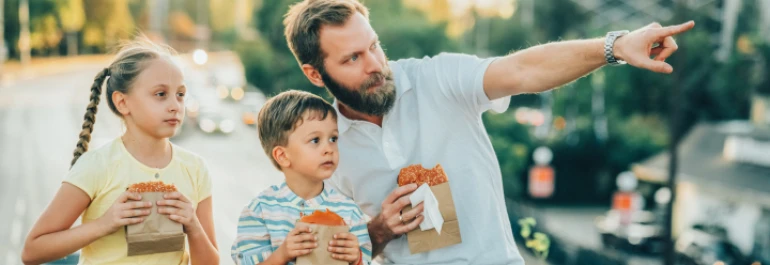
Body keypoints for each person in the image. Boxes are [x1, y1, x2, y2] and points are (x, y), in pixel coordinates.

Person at [282, 0, 695, 264]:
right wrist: (379, 231)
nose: (374, 64)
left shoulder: (436, 78)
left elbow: (523, 69)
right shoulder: (323, 148)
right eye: (353, 58)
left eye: (374, 46)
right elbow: (325, 259)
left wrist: (614, 47)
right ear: (315, 74)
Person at [21, 40, 219, 265]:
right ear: (123, 102)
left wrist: (192, 225)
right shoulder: (96, 166)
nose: (175, 105)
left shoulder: (195, 169)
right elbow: (32, 250)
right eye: (161, 94)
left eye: (181, 94)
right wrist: (104, 224)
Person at [231, 90, 372, 265]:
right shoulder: (259, 211)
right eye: (315, 140)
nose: (329, 148)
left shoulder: (349, 211)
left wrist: (356, 258)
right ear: (282, 156)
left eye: (333, 138)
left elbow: (365, 260)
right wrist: (282, 254)